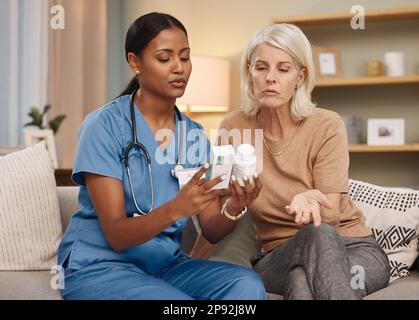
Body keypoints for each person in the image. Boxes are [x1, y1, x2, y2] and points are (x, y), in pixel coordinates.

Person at [57, 12, 266, 300]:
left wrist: (234, 206)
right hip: (101, 266)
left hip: (164, 267)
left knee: (247, 284)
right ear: (135, 62)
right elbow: (117, 235)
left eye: (185, 57)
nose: (179, 68)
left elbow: (212, 229)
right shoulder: (104, 126)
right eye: (165, 59)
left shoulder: (193, 135)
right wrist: (177, 208)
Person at [192, 23, 390, 300]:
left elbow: (329, 216)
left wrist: (310, 198)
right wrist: (233, 208)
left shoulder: (327, 125)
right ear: (249, 72)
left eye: (283, 69)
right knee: (310, 248)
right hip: (278, 256)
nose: (270, 78)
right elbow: (214, 221)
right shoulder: (232, 127)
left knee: (304, 274)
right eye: (261, 68)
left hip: (353, 249)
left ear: (300, 75)